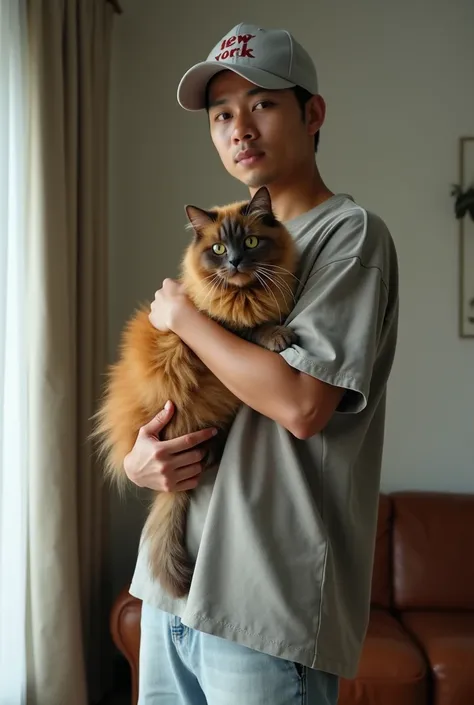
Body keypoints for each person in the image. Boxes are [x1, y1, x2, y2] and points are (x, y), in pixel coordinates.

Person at [124, 22, 399, 705]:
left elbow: (304, 405)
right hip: (172, 586)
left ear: (313, 114)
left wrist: (184, 315)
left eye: (263, 104)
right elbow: (180, 396)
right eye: (222, 115)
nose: (239, 128)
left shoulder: (348, 235)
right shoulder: (224, 243)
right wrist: (140, 459)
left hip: (264, 604)